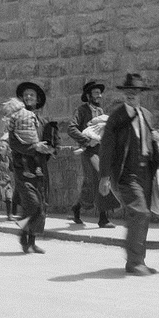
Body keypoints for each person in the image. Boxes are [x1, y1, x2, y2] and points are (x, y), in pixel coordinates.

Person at [98, 73, 159, 276]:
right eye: (128, 92)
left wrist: (155, 138)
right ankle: (134, 262)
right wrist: (105, 177)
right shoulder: (116, 117)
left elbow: (149, 141)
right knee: (140, 213)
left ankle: (138, 260)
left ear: (141, 93)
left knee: (144, 215)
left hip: (146, 172)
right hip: (126, 173)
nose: (131, 95)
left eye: (135, 91)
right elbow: (106, 147)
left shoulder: (147, 115)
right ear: (123, 94)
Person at [8, 82, 54, 253]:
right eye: (26, 95)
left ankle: (31, 241)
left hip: (40, 167)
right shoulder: (17, 119)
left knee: (41, 206)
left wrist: (50, 149)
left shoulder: (43, 122)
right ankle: (23, 231)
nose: (28, 97)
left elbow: (50, 143)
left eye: (32, 95)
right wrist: (34, 147)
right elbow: (14, 143)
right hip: (23, 167)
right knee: (32, 203)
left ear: (37, 99)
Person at [67, 80, 120, 227]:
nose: (99, 96)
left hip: (101, 151)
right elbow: (71, 128)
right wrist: (86, 140)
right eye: (96, 93)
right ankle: (103, 218)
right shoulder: (81, 110)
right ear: (88, 95)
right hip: (88, 151)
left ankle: (76, 207)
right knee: (100, 175)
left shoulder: (101, 112)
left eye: (100, 93)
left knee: (90, 184)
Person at [2, 97, 50, 178]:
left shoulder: (15, 121)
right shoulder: (32, 118)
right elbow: (14, 145)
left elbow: (14, 144)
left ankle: (32, 170)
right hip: (26, 171)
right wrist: (35, 146)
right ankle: (37, 169)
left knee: (26, 158)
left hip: (30, 169)